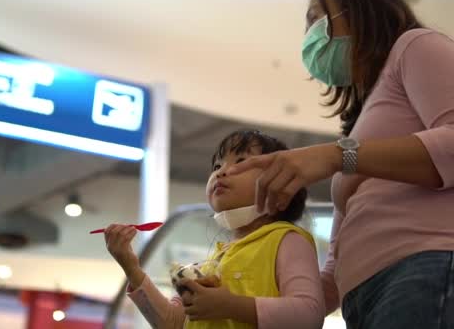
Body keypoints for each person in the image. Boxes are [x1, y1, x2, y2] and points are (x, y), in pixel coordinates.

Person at [229, 0, 454, 328]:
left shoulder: (417, 46)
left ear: (361, 7)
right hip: (367, 298)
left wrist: (337, 157)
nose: (310, 34)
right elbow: (334, 269)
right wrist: (242, 299)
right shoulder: (363, 122)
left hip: (424, 271)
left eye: (318, 17)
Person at [103, 130, 325, 329]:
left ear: (280, 182)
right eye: (217, 166)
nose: (221, 172)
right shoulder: (217, 259)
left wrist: (231, 306)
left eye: (240, 162)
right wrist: (130, 266)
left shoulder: (287, 240)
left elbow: (309, 315)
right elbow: (172, 322)